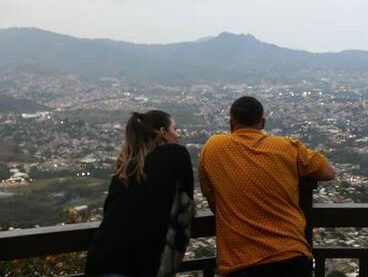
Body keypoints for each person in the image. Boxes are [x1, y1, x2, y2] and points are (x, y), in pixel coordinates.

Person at [198, 96, 335, 277]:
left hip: (240, 261)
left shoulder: (213, 148)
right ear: (262, 123)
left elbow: (212, 200)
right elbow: (328, 172)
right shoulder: (285, 147)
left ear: (231, 123)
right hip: (291, 256)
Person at [85, 110, 194, 277]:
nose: (178, 136)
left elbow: (109, 210)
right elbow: (185, 204)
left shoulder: (125, 169)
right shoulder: (176, 154)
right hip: (139, 262)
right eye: (175, 130)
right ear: (164, 133)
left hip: (101, 259)